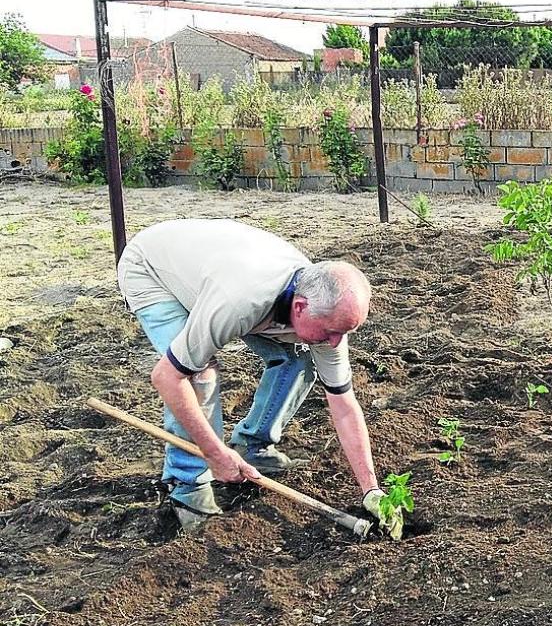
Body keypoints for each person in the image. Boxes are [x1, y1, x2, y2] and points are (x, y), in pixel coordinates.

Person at [116, 219, 403, 537]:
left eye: (344, 332)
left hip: (220, 271)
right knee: (197, 372)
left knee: (300, 358)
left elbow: (344, 405)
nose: (336, 342)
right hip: (153, 269)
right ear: (300, 307)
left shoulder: (326, 312)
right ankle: (188, 487)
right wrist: (214, 452)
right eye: (332, 332)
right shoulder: (240, 302)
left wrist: (370, 489)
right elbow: (167, 377)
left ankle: (251, 446)